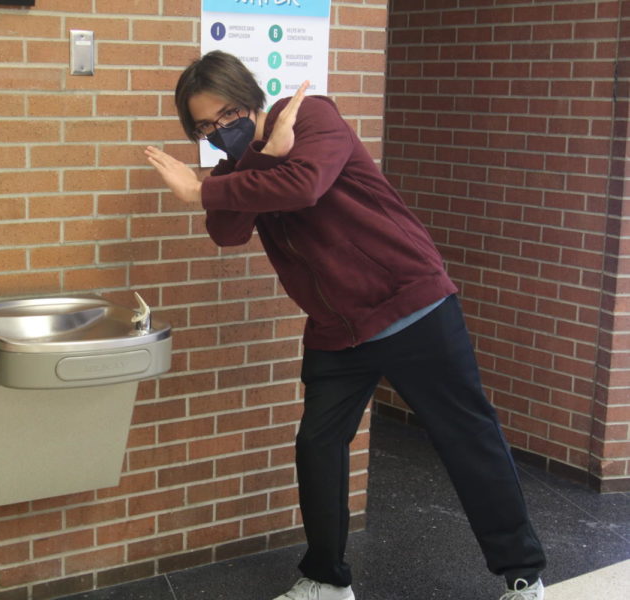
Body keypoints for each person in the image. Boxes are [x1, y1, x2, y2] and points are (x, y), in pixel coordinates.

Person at [145, 50, 546, 600]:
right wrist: (259, 157)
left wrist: (203, 189)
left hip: (411, 305)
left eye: (228, 113)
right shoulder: (240, 166)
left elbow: (305, 184)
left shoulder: (310, 116)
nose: (220, 130)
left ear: (252, 98)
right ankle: (326, 580)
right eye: (206, 126)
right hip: (338, 329)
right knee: (317, 445)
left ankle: (522, 575)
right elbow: (227, 231)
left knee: (466, 437)